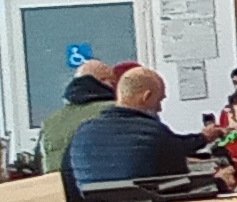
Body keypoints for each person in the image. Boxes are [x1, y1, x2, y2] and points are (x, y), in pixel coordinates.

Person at [64, 65, 194, 191]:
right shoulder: (155, 133)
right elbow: (178, 184)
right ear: (146, 97)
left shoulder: (81, 133)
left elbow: (69, 183)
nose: (160, 109)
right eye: (159, 101)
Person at [38, 61, 115, 172]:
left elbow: (39, 163)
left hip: (56, 181)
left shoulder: (49, 121)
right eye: (112, 81)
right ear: (105, 81)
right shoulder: (113, 111)